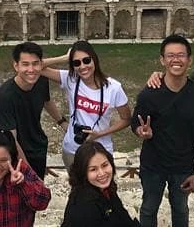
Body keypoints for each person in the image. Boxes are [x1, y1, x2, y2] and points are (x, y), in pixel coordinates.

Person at [131, 34, 194, 227]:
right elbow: (135, 121)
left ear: (189, 60)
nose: (176, 60)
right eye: (171, 56)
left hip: (183, 165)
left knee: (181, 209)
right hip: (153, 164)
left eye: (181, 55)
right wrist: (142, 132)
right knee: (148, 208)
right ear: (162, 60)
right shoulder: (150, 93)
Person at [42, 41, 132, 169]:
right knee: (77, 188)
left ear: (94, 59)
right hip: (72, 150)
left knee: (101, 187)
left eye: (86, 60)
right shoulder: (71, 79)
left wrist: (100, 134)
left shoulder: (114, 88)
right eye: (76, 63)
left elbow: (126, 119)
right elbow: (35, 67)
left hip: (101, 150)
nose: (83, 66)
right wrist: (64, 58)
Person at [0, 41, 64, 178]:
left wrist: (62, 122)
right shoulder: (5, 96)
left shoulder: (41, 79)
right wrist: (27, 170)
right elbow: (12, 139)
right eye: (25, 64)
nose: (31, 69)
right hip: (19, 154)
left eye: (35, 64)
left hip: (39, 145)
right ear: (16, 66)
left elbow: (47, 101)